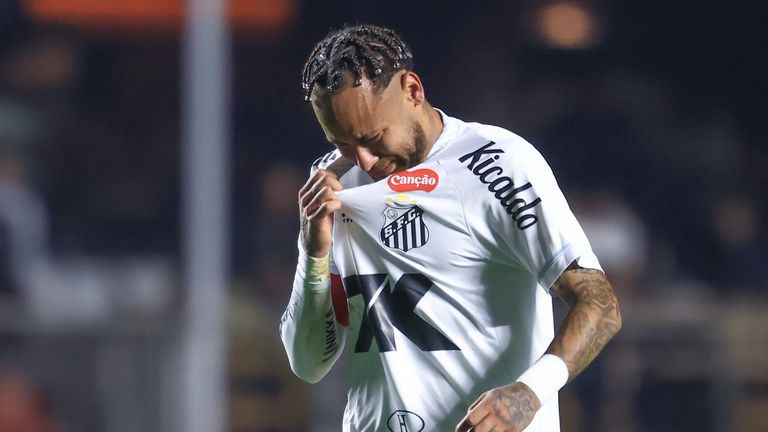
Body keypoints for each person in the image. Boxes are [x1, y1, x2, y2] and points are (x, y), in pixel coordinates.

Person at [279, 24, 621, 432]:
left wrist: (529, 392)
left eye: (372, 137)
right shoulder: (334, 183)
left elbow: (600, 305)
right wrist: (313, 253)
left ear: (412, 90)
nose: (365, 162)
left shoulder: (499, 166)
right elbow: (309, 363)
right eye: (344, 144)